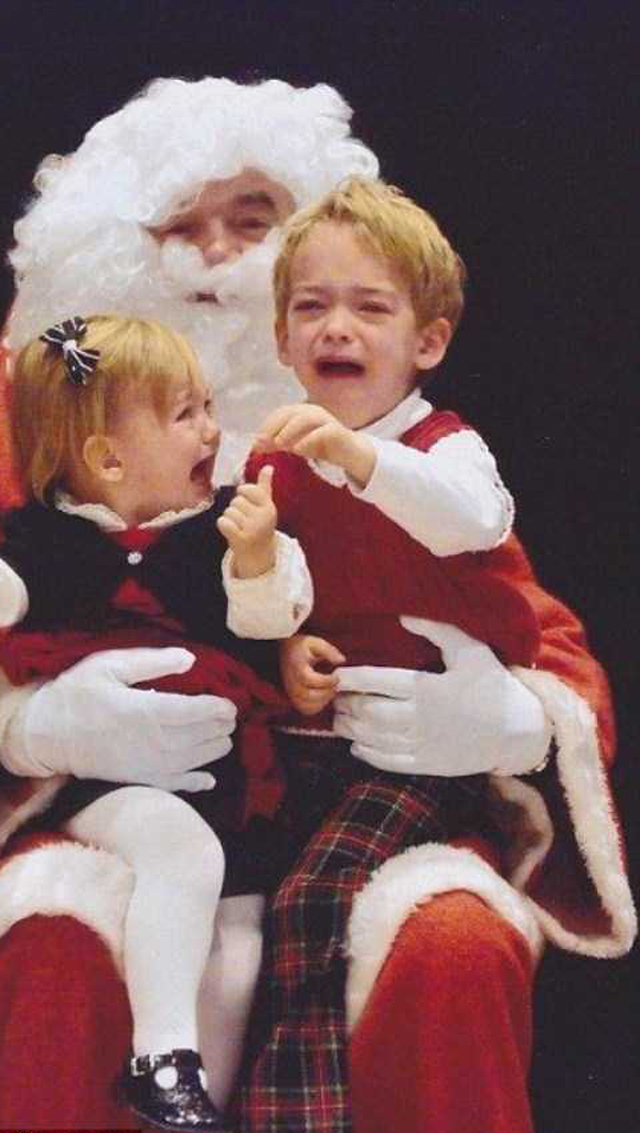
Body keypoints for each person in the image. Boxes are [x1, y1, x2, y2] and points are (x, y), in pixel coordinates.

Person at [0, 77, 633, 1133]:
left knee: (448, 938)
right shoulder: (53, 387)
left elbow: (512, 599)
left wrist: (509, 717)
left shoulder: (371, 418)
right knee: (56, 938)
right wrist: (35, 725)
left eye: (251, 220)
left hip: (351, 792)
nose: (213, 253)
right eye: (176, 225)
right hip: (132, 807)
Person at [0, 312, 313, 1131]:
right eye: (186, 414)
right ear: (107, 457)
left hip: (232, 782)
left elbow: (275, 617)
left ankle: (196, 1102)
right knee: (178, 847)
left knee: (237, 936)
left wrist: (260, 557)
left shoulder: (227, 522)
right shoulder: (50, 540)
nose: (213, 428)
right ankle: (161, 1056)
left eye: (208, 404)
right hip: (111, 781)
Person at [237, 174, 583, 1126]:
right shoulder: (272, 459)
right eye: (311, 306)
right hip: (312, 747)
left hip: (426, 754)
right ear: (281, 339)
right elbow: (271, 604)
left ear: (426, 342)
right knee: (228, 897)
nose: (335, 328)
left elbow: (470, 521)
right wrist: (284, 643)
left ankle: (299, 1108)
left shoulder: (444, 445)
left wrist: (360, 460)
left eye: (368, 307)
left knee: (316, 898)